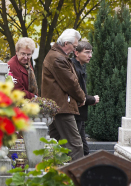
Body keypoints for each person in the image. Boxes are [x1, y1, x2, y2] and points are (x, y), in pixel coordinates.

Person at [41, 28, 86, 161]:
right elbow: (70, 82)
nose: (75, 50)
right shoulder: (58, 58)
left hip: (56, 106)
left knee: (55, 143)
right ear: (66, 43)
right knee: (75, 145)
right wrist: (82, 97)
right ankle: (77, 177)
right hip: (62, 107)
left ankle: (53, 175)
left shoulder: (55, 55)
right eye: (74, 46)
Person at [72, 41, 99, 156]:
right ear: (76, 53)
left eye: (91, 52)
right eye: (87, 52)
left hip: (80, 113)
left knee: (84, 148)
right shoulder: (74, 68)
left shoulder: (80, 67)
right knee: (78, 146)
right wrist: (92, 99)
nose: (90, 56)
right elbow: (75, 92)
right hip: (76, 112)